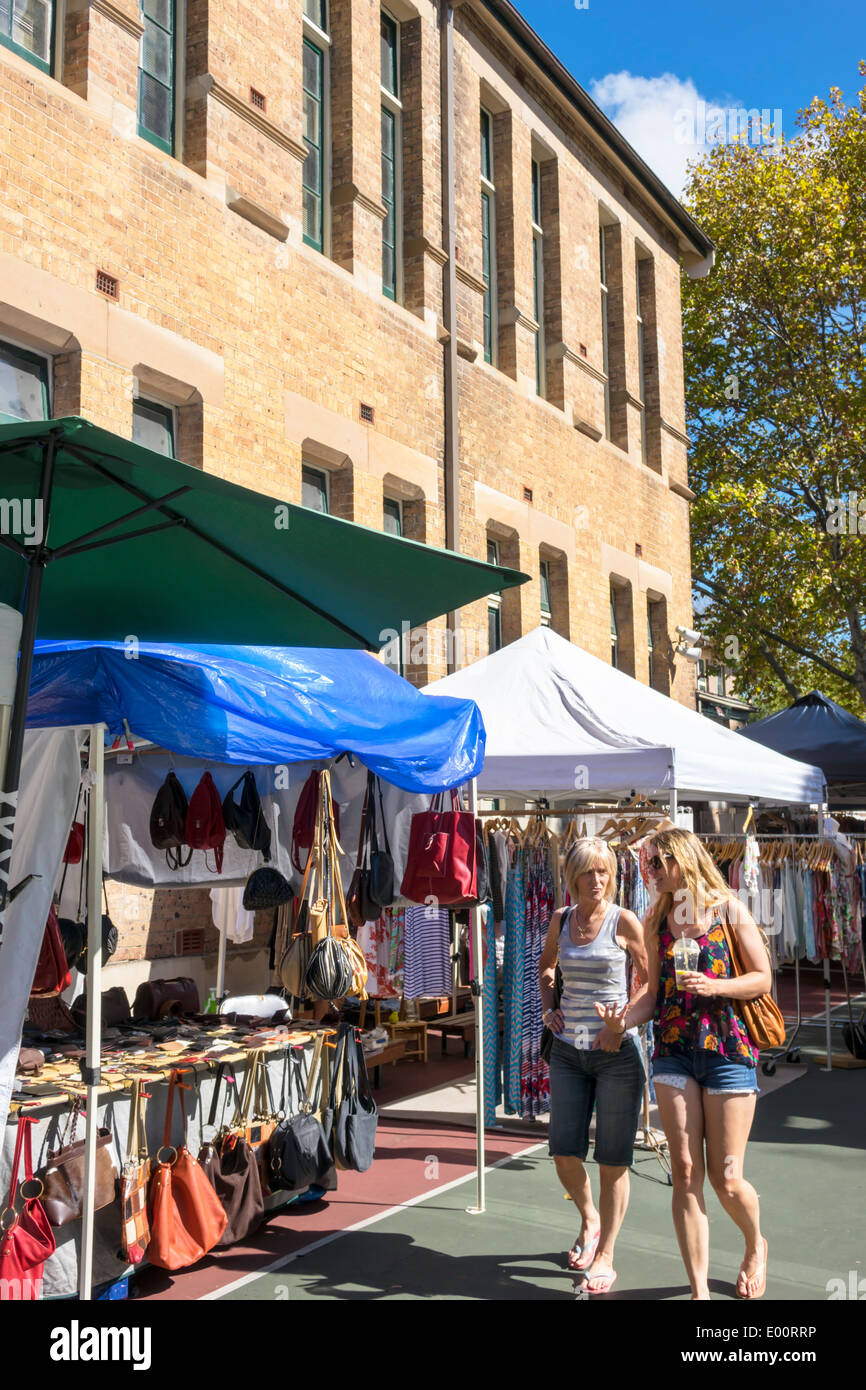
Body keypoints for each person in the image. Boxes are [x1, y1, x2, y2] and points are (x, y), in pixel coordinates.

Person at [626, 826, 771, 1301]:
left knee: (726, 1178)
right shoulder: (654, 920)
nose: (648, 871)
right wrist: (619, 1020)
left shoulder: (729, 909)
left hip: (728, 1051)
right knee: (685, 1171)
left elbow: (761, 979)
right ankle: (699, 1291)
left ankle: (754, 1244)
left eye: (655, 863)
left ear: (680, 861)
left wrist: (718, 987)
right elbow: (652, 994)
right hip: (673, 1050)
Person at [539, 838, 649, 1294]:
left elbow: (648, 983)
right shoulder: (560, 920)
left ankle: (606, 1255)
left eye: (603, 872)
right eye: (588, 873)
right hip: (567, 1050)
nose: (597, 881)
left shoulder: (625, 921)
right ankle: (590, 1219)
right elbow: (546, 970)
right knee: (564, 1152)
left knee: (612, 1159)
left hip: (616, 1056)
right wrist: (549, 1008)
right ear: (573, 878)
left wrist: (619, 1025)